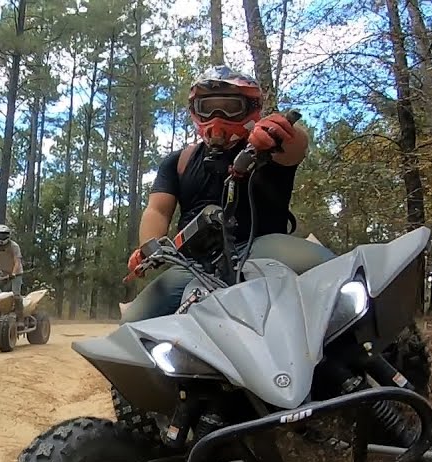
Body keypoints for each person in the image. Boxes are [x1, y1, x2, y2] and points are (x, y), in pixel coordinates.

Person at [122, 65, 335, 323]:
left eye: (229, 107)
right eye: (208, 107)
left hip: (261, 247)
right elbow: (157, 209)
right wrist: (149, 248)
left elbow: (295, 148)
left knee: (333, 273)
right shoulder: (177, 161)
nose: (217, 116)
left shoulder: (266, 146)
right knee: (132, 325)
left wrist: (281, 133)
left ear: (250, 108)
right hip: (192, 265)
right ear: (194, 111)